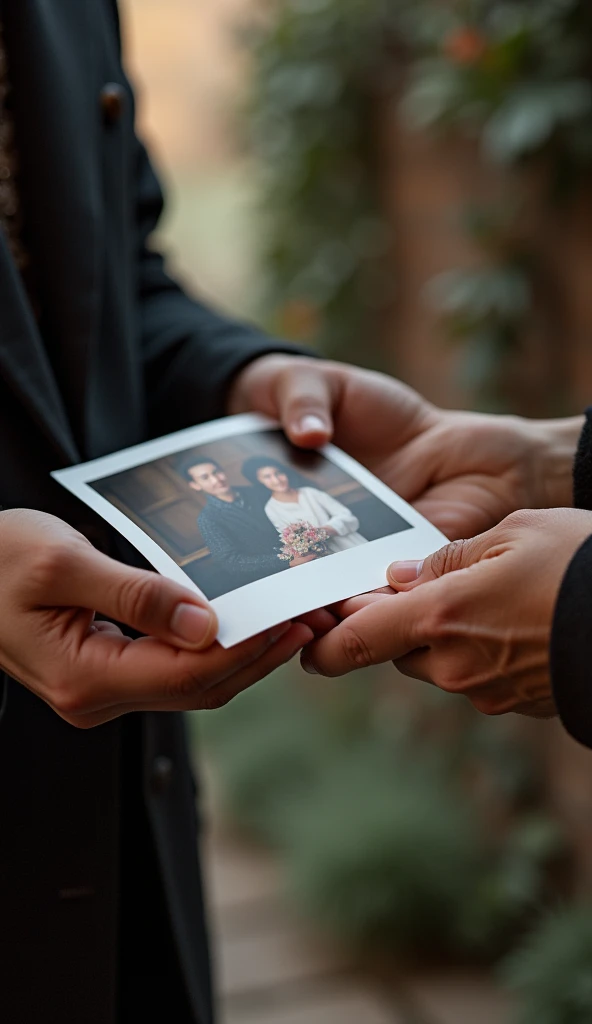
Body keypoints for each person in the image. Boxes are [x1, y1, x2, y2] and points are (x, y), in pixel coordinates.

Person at [185, 456, 289, 583]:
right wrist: (286, 560)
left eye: (216, 472)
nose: (216, 480)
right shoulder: (207, 519)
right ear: (195, 485)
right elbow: (231, 563)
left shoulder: (257, 491)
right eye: (205, 478)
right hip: (268, 578)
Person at [241, 455, 367, 554]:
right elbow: (290, 540)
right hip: (327, 555)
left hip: (353, 544)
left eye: (278, 473)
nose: (276, 480)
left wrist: (326, 530)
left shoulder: (310, 493)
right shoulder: (271, 509)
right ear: (259, 481)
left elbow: (348, 517)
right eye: (267, 477)